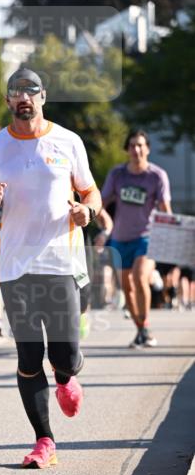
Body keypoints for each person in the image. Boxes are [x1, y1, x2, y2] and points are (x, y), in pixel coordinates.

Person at [0, 68, 102, 469]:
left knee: (63, 355)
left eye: (30, 90)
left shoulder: (68, 141)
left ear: (43, 97)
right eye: (16, 92)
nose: (23, 97)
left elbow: (91, 191)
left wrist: (88, 210)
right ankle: (44, 440)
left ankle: (65, 376)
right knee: (29, 357)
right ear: (8, 100)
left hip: (60, 261)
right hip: (15, 266)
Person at [98, 130, 171, 348]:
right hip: (120, 238)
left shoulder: (157, 176)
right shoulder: (118, 174)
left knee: (140, 278)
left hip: (147, 237)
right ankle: (140, 330)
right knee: (127, 288)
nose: (136, 149)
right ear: (127, 150)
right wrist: (103, 226)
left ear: (147, 148)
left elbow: (165, 209)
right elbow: (100, 202)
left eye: (140, 145)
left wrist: (171, 233)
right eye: (132, 145)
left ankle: (146, 326)